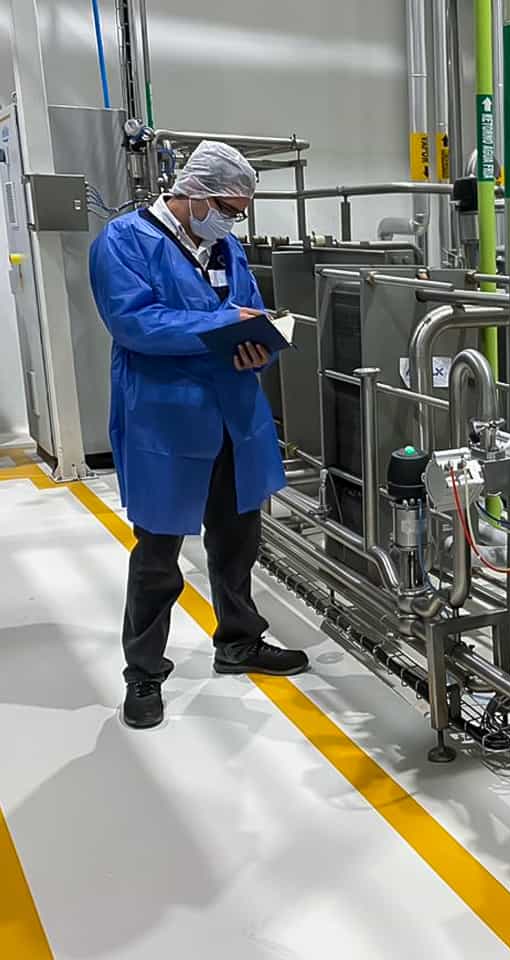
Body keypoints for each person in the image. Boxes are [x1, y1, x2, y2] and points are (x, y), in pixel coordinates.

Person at [90, 140, 309, 730]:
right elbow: (134, 322)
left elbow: (251, 310)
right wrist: (224, 323)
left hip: (234, 413)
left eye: (238, 212)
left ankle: (239, 641)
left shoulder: (225, 247)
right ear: (194, 194)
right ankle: (143, 673)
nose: (232, 221)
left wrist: (261, 347)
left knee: (238, 538)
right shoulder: (124, 241)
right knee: (159, 552)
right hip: (167, 418)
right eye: (228, 209)